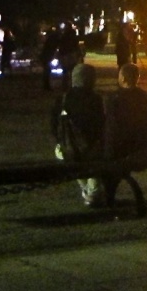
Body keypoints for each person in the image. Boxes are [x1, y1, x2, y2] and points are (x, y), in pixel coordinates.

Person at [102, 62, 147, 204]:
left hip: (120, 149)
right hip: (140, 148)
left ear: (123, 78)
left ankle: (106, 195)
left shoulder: (113, 99)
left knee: (108, 170)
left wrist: (108, 152)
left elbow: (112, 130)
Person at [51, 62, 106, 205]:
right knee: (95, 157)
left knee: (70, 155)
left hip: (69, 148)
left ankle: (88, 190)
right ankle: (92, 192)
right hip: (91, 149)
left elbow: (54, 125)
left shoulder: (63, 99)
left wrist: (60, 140)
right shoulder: (95, 99)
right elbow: (100, 125)